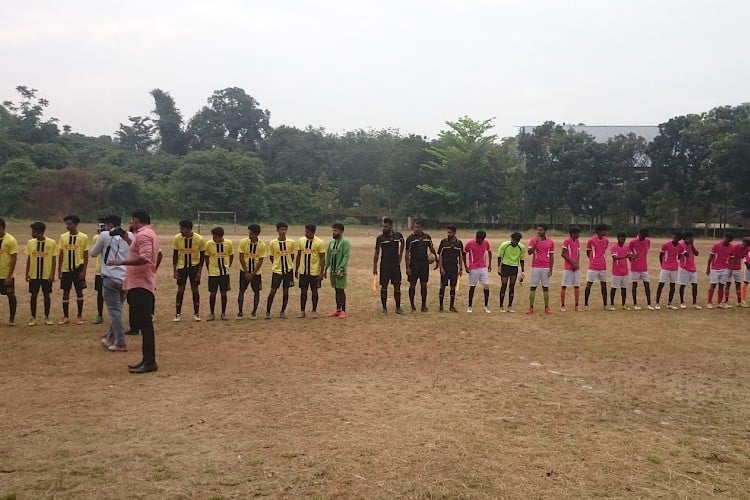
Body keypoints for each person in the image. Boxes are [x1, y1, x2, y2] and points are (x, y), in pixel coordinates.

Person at [108, 209, 160, 374]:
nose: (131, 224)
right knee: (144, 325)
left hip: (141, 284)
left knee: (145, 325)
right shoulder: (146, 234)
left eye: (132, 221)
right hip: (140, 284)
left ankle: (150, 361)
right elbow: (136, 248)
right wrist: (124, 235)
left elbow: (145, 257)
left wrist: (121, 262)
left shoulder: (144, 235)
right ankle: (147, 359)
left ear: (137, 220)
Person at [89, 215, 132, 351]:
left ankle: (120, 342)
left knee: (114, 312)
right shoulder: (129, 235)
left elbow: (93, 253)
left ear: (109, 224)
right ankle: (109, 338)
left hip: (110, 277)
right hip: (125, 278)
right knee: (117, 310)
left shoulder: (104, 235)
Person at [57, 215, 89, 325]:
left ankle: (79, 316)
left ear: (76, 224)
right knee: (65, 292)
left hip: (77, 268)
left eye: (70, 224)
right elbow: (61, 253)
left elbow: (85, 254)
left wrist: (84, 271)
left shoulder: (83, 237)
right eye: (67, 224)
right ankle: (65, 316)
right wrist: (59, 269)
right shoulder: (63, 237)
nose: (68, 226)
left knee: (79, 292)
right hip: (66, 269)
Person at [172, 219, 205, 322]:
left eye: (182, 228)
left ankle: (196, 313)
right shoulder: (177, 238)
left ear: (189, 229)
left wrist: (199, 272)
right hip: (182, 267)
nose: (180, 230)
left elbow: (202, 257)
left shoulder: (199, 239)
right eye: (180, 228)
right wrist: (175, 270)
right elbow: (175, 255)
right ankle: (177, 314)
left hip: (194, 267)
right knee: (180, 289)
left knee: (195, 289)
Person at [25, 222, 55, 326]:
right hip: (34, 275)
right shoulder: (30, 243)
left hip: (46, 275)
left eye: (33, 231)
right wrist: (27, 273)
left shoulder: (51, 243)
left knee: (46, 295)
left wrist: (52, 274)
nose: (32, 233)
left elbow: (53, 259)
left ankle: (47, 317)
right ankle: (33, 317)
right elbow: (29, 258)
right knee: (33, 295)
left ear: (40, 232)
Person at [373, 218, 405, 314]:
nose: (384, 228)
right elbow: (377, 253)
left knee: (397, 286)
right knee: (384, 286)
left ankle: (398, 308)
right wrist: (374, 266)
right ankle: (384, 308)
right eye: (383, 226)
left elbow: (403, 242)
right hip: (385, 265)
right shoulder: (380, 238)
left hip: (395, 265)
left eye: (386, 226)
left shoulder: (398, 236)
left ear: (391, 226)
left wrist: (400, 254)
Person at [405, 220, 437, 312]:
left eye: (418, 227)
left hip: (424, 264)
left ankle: (423, 305)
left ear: (422, 228)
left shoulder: (427, 237)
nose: (416, 229)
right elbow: (407, 253)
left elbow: (432, 249)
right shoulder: (410, 239)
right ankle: (412, 305)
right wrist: (407, 267)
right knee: (412, 285)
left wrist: (436, 259)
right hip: (414, 264)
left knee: (424, 284)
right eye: (415, 227)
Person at [295, 224, 326, 318]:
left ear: (313, 232)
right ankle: (302, 311)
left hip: (314, 272)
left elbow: (322, 258)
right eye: (305, 231)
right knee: (303, 291)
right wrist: (296, 269)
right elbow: (299, 255)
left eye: (308, 232)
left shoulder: (319, 242)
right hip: (303, 272)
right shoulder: (301, 240)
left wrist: (321, 272)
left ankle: (314, 311)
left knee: (314, 291)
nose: (306, 233)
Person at [266, 222, 296, 319]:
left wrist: (288, 265)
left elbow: (292, 255)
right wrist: (277, 265)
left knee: (286, 291)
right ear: (277, 230)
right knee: (273, 291)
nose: (283, 231)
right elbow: (271, 257)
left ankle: (282, 311)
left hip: (288, 271)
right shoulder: (273, 243)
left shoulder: (291, 242)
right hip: (277, 271)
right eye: (281, 229)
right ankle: (268, 311)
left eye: (285, 229)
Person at [237, 224, 266, 320]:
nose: (249, 235)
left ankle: (254, 312)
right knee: (241, 290)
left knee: (256, 292)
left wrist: (253, 273)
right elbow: (241, 257)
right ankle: (240, 312)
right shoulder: (244, 242)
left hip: (256, 273)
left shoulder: (261, 245)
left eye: (251, 233)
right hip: (244, 271)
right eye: (249, 233)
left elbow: (261, 260)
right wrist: (246, 271)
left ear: (256, 234)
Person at [205, 226, 233, 321]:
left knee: (223, 293)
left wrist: (227, 266)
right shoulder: (209, 244)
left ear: (220, 236)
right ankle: (212, 313)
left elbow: (231, 255)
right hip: (213, 273)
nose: (213, 238)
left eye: (215, 236)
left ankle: (223, 313)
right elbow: (207, 257)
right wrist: (209, 269)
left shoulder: (228, 243)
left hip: (224, 273)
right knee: (212, 293)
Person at [324, 222, 351, 318]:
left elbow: (345, 256)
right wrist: (326, 268)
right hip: (332, 270)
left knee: (340, 290)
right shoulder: (331, 243)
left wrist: (341, 268)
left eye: (335, 230)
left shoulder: (345, 242)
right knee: (336, 289)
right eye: (333, 230)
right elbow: (328, 256)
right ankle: (338, 310)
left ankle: (343, 310)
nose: (334, 232)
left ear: (341, 231)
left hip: (340, 271)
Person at [526, 224, 554, 314]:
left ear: (545, 231)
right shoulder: (533, 240)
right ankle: (531, 307)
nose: (539, 232)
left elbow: (551, 256)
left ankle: (546, 307)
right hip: (536, 267)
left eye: (541, 230)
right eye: (538, 230)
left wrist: (551, 269)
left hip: (546, 268)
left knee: (545, 287)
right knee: (533, 287)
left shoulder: (550, 242)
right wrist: (536, 243)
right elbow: (529, 252)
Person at [437, 225, 464, 313]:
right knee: (443, 286)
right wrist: (441, 267)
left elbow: (460, 256)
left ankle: (451, 306)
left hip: (454, 268)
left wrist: (461, 268)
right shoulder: (443, 242)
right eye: (448, 232)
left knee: (453, 287)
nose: (448, 234)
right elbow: (440, 255)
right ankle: (441, 306)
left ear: (454, 233)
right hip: (445, 267)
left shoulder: (459, 243)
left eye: (450, 232)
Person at [497, 232, 525, 313]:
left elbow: (522, 259)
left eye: (517, 241)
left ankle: (510, 306)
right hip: (505, 266)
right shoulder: (505, 245)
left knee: (512, 286)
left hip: (514, 267)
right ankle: (501, 306)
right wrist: (499, 268)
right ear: (511, 239)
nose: (515, 242)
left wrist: (522, 271)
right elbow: (499, 256)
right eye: (514, 240)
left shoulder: (521, 247)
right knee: (504, 285)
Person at [655, 232, 684, 310]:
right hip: (665, 267)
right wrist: (662, 264)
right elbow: (661, 255)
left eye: (676, 238)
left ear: (679, 239)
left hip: (674, 268)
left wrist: (676, 260)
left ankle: (669, 303)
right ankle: (657, 303)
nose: (674, 239)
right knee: (661, 284)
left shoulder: (680, 246)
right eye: (673, 237)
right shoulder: (666, 245)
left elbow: (680, 254)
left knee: (673, 285)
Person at [584, 224, 609, 310]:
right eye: (604, 230)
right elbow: (588, 252)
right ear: (599, 231)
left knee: (604, 285)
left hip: (603, 266)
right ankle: (586, 305)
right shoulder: (591, 240)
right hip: (593, 267)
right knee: (589, 285)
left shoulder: (606, 241)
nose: (605, 232)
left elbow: (603, 250)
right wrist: (593, 260)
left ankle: (605, 305)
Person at [706, 233, 734, 309]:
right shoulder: (716, 245)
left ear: (730, 240)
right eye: (724, 238)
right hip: (715, 268)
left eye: (727, 238)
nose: (725, 239)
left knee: (721, 286)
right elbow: (711, 257)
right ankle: (709, 302)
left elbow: (731, 259)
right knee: (713, 285)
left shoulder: (731, 247)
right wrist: (708, 267)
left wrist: (731, 270)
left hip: (725, 269)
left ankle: (719, 303)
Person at [628, 228, 653, 310]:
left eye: (644, 236)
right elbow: (629, 254)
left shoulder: (648, 241)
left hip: (644, 268)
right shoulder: (632, 242)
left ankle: (649, 304)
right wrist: (633, 261)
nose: (642, 237)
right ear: (639, 234)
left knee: (647, 285)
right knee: (634, 285)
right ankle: (635, 304)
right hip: (635, 268)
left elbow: (646, 251)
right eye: (641, 235)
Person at [0, 218, 19, 326]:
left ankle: (12, 319)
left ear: (2, 227)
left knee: (11, 296)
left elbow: (13, 259)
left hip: (6, 275)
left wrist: (9, 276)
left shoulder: (10, 240)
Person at [560, 227, 581, 312]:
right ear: (572, 234)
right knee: (564, 286)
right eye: (577, 234)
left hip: (576, 268)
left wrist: (576, 264)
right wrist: (572, 263)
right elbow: (563, 254)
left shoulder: (577, 242)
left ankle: (576, 305)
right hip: (568, 268)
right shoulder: (567, 241)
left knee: (577, 286)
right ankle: (563, 305)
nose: (578, 235)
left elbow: (578, 253)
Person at [677, 231, 701, 309]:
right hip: (684, 267)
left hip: (692, 267)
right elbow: (679, 255)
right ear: (685, 238)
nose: (691, 239)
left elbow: (696, 253)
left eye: (692, 238)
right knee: (683, 285)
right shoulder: (681, 244)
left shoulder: (691, 244)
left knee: (695, 285)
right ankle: (682, 302)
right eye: (690, 238)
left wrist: (692, 245)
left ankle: (694, 303)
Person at [610, 232, 632, 311]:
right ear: (618, 238)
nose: (623, 239)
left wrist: (634, 256)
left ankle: (623, 304)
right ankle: (612, 304)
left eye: (624, 238)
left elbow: (630, 257)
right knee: (614, 288)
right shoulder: (614, 248)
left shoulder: (627, 248)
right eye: (621, 238)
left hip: (625, 272)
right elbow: (615, 258)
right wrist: (625, 256)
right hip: (616, 272)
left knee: (624, 289)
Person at [725, 239, 746, 307]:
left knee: (738, 285)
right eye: (744, 243)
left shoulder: (746, 248)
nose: (744, 245)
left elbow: (743, 256)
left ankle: (739, 302)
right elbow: (731, 259)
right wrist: (730, 270)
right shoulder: (735, 247)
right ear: (742, 242)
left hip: (738, 269)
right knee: (728, 284)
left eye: (746, 245)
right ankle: (726, 301)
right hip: (730, 268)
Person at [92, 220, 104, 325]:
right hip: (100, 271)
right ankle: (100, 314)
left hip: (107, 271)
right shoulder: (97, 238)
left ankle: (100, 315)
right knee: (100, 294)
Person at [742, 237, 750, 305]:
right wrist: (747, 265)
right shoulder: (746, 250)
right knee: (745, 282)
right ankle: (743, 299)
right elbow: (744, 257)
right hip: (748, 269)